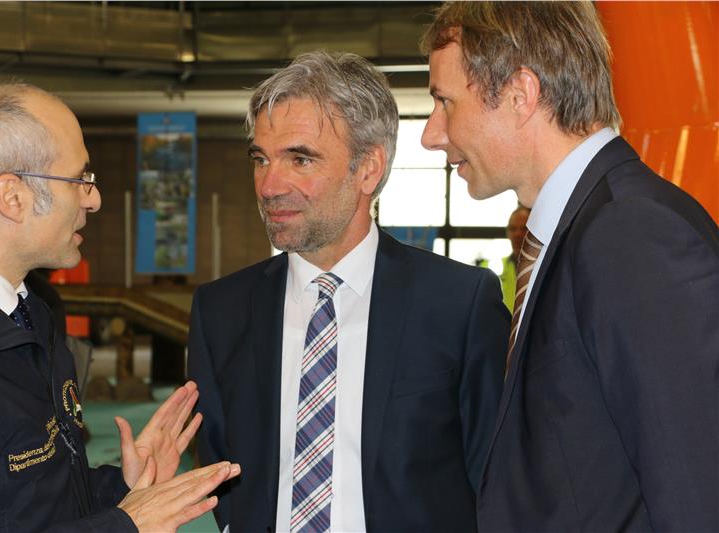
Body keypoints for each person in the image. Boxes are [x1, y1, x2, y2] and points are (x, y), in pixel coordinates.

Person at [421, 2, 719, 531]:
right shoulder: (582, 228)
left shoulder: (630, 233)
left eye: (445, 102)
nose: (431, 133)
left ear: (520, 94)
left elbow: (696, 494)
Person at [187, 50, 509, 533]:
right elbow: (221, 470)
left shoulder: (458, 305)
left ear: (368, 169)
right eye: (261, 159)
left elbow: (497, 479)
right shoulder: (220, 312)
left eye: (299, 159)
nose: (269, 185)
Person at [0, 82, 240, 532]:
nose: (94, 198)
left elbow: (28, 499)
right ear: (12, 197)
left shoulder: (35, 309)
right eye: (79, 180)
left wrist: (124, 487)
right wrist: (125, 526)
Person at [499, 205, 530, 311]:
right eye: (513, 229)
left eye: (524, 228)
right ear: (507, 233)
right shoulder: (495, 268)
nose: (518, 234)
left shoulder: (546, 269)